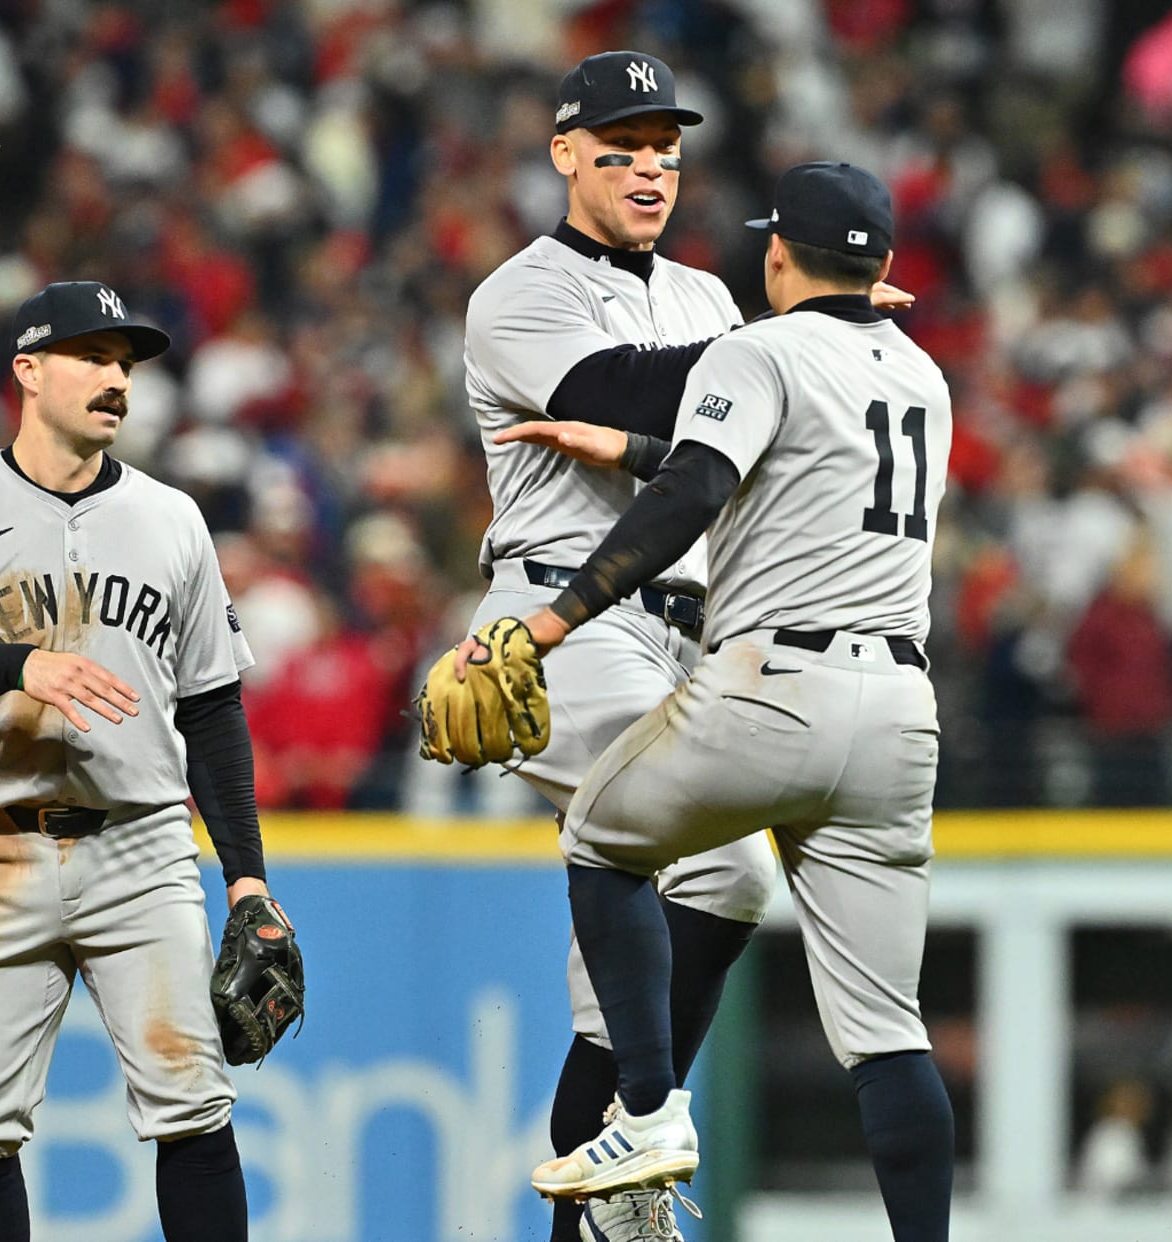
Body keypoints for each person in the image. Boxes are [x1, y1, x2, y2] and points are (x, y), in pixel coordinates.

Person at [459, 49, 904, 1242]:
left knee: (615, 1001)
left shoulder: (710, 299)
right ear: (565, 154)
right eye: (623, 144)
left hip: (694, 629)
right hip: (563, 617)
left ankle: (615, 1163)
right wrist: (816, 331)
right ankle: (652, 1131)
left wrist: (794, 342)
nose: (651, 165)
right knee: (723, 867)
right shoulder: (520, 292)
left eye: (665, 146)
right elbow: (610, 385)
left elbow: (716, 454)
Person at [0, 282, 274, 1241]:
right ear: (28, 371)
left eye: (126, 363)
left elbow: (212, 707)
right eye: (92, 356)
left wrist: (246, 877)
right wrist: (17, 664)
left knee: (194, 1104)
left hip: (143, 847)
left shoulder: (173, 520)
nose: (117, 379)